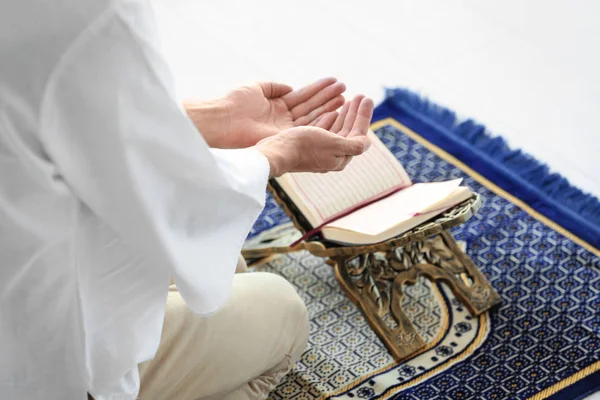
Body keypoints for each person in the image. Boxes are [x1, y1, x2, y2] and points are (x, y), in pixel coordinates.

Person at [0, 0, 374, 399]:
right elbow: (176, 197)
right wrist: (279, 156)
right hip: (34, 366)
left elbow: (38, 116)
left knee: (226, 262)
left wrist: (218, 117)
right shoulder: (88, 16)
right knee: (282, 310)